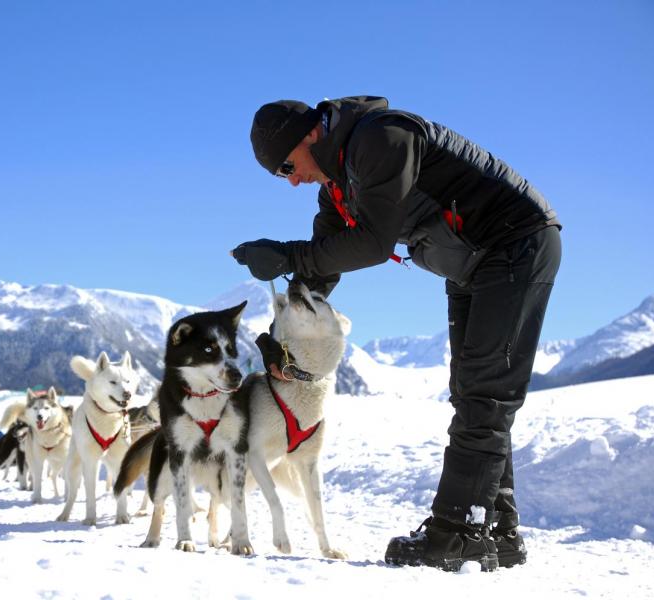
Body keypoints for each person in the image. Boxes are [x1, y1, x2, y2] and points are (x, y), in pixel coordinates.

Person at [232, 96, 561, 572]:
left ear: (308, 136)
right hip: (472, 261)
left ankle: (457, 532)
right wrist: (276, 339)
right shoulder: (335, 186)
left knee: (486, 394)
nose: (293, 181)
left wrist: (288, 255)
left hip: (515, 241)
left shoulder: (380, 138)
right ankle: (495, 530)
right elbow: (316, 277)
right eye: (281, 177)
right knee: (470, 390)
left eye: (287, 167)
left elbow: (371, 241)